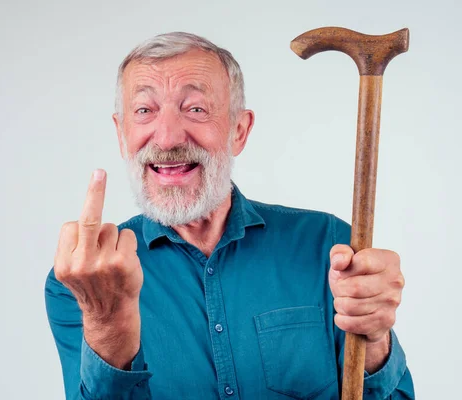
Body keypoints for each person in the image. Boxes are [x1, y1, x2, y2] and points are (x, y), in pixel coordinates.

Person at [44, 32, 414, 399]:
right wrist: (109, 326)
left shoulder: (329, 247)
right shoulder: (84, 282)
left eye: (195, 109)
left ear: (239, 130)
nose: (168, 138)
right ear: (122, 135)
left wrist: (375, 341)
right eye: (145, 111)